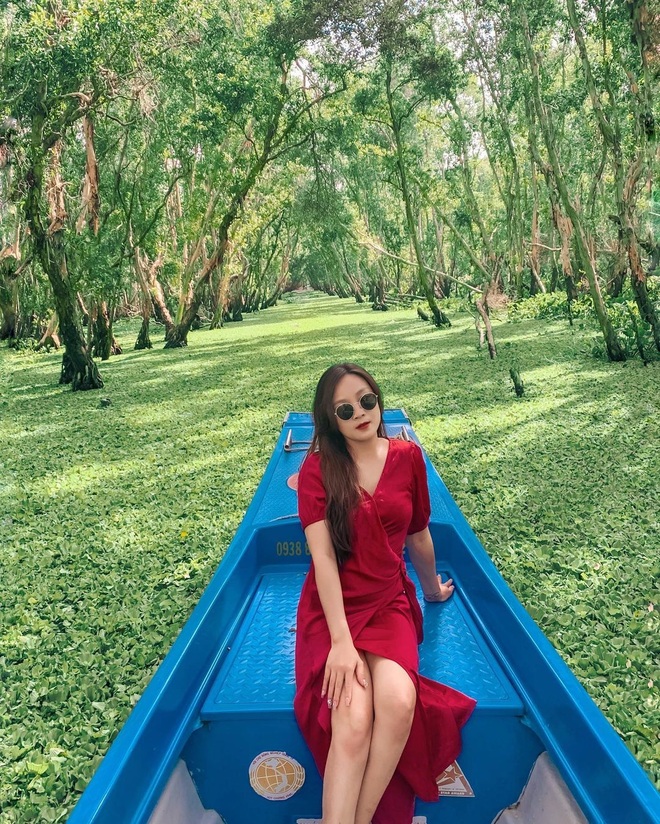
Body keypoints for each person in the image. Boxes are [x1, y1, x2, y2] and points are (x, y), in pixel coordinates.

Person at [293, 363, 476, 824]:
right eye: (345, 408)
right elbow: (324, 560)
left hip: (389, 600)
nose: (360, 412)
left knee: (397, 702)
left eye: (367, 400)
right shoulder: (317, 469)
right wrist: (340, 642)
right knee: (352, 719)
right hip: (333, 608)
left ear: (379, 399)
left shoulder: (407, 457)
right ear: (329, 418)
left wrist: (431, 590)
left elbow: (418, 535)